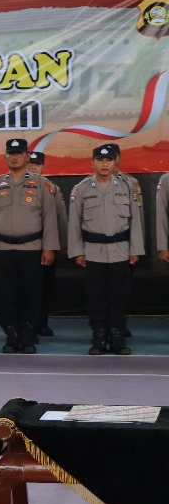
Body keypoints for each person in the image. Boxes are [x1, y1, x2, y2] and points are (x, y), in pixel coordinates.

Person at [0, 138, 60, 354]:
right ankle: (11, 335)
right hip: (3, 249)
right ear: (5, 157)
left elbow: (49, 219)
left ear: (27, 156)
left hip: (32, 249)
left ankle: (28, 336)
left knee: (31, 295)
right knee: (6, 295)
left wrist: (49, 248)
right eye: (11, 154)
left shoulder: (42, 184)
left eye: (19, 153)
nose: (14, 158)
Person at [68, 143, 142, 355]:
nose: (104, 164)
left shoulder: (126, 187)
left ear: (114, 162)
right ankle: (99, 337)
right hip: (93, 252)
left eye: (108, 160)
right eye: (100, 160)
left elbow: (135, 221)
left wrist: (135, 249)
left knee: (119, 297)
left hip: (120, 250)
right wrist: (78, 251)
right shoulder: (81, 189)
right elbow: (74, 223)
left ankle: (117, 337)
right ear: (92, 163)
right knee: (96, 298)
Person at [28, 151, 67, 337]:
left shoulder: (52, 188)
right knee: (26, 288)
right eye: (30, 163)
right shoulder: (12, 186)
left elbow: (61, 218)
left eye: (37, 164)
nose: (33, 167)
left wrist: (63, 244)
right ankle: (26, 324)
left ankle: (41, 322)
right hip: (25, 247)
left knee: (45, 287)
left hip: (47, 246)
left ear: (43, 167)